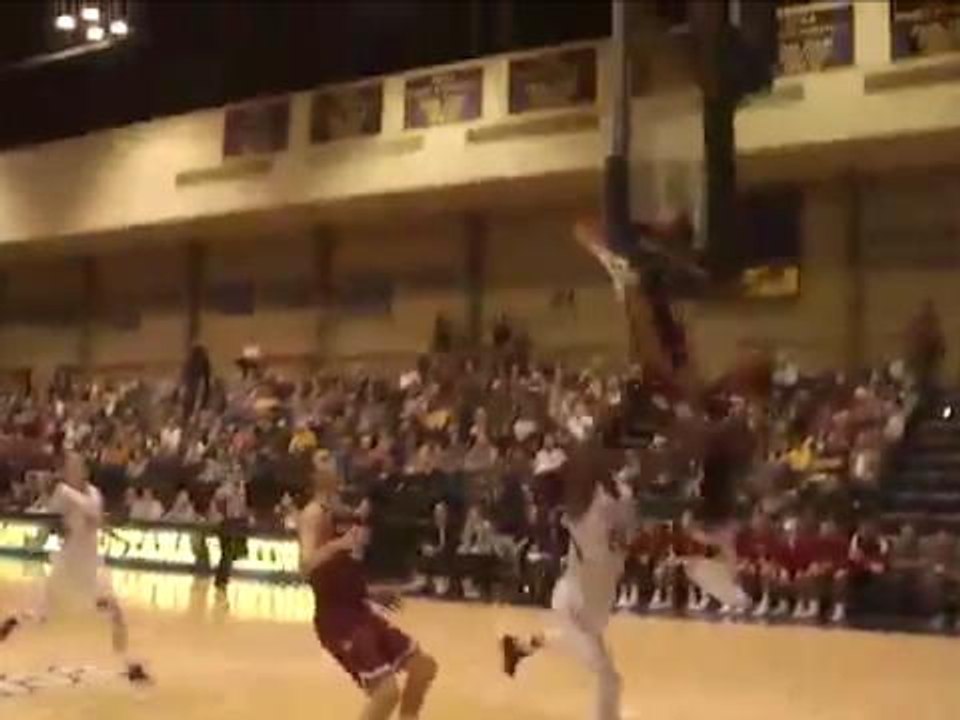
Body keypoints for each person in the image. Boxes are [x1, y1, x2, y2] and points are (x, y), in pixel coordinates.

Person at [299, 450, 438, 720]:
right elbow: (306, 566)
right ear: (313, 475)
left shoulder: (343, 511)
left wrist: (372, 593)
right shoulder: (313, 514)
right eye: (324, 459)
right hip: (337, 620)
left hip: (359, 610)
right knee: (386, 693)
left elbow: (344, 574)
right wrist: (337, 544)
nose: (332, 462)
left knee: (423, 667)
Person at [500, 440, 633, 720]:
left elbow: (594, 475)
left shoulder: (595, 502)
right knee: (608, 677)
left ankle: (520, 646)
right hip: (575, 607)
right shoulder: (583, 517)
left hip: (584, 606)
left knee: (573, 643)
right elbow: (596, 476)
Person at [0, 450, 149, 683]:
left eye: (77, 465)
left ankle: (129, 664)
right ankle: (12, 622)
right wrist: (59, 527)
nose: (73, 470)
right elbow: (55, 520)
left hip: (91, 564)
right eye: (70, 466)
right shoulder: (63, 493)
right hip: (69, 563)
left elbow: (95, 516)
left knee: (115, 612)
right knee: (42, 613)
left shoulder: (94, 493)